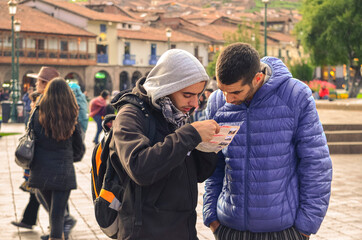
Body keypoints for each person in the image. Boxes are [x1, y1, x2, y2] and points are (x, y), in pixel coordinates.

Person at [203, 43, 332, 240]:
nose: (227, 99)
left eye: (235, 92)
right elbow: (214, 164)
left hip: (283, 232)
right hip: (229, 229)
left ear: (257, 78)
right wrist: (211, 217)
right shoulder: (217, 102)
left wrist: (305, 228)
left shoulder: (296, 96)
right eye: (222, 90)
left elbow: (316, 164)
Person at [111, 49, 220, 239]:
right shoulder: (131, 114)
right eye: (188, 95)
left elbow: (199, 174)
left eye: (198, 95)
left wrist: (209, 147)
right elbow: (139, 167)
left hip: (184, 229)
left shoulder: (176, 114)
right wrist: (190, 135)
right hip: (146, 232)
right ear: (167, 87)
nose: (195, 103)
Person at [28, 77, 85, 240]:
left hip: (40, 169)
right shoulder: (71, 115)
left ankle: (56, 234)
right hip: (63, 170)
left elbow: (31, 137)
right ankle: (57, 235)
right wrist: (69, 157)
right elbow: (79, 147)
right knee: (57, 213)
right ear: (67, 95)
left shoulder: (37, 113)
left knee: (50, 207)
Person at [11, 90, 42, 230]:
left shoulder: (39, 117)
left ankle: (64, 221)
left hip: (40, 165)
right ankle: (28, 220)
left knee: (41, 195)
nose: (30, 105)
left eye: (32, 102)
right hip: (38, 165)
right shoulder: (34, 116)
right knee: (37, 195)